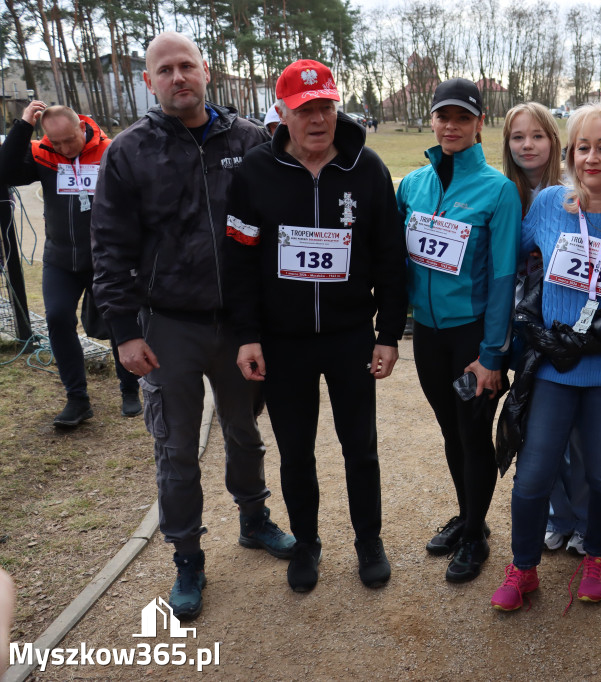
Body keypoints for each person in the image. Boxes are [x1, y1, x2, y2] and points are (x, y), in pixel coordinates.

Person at [91, 32, 294, 620]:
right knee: (175, 447)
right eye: (164, 70)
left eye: (186, 66)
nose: (177, 77)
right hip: (167, 324)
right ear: (150, 80)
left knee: (244, 432)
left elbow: (278, 224)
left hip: (238, 323)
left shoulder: (251, 140)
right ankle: (187, 556)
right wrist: (125, 330)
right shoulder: (129, 151)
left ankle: (254, 519)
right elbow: (110, 247)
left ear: (206, 72)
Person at [224, 60, 407, 593]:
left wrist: (389, 333)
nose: (318, 119)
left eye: (326, 105)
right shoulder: (254, 172)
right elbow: (238, 262)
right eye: (305, 109)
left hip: (350, 336)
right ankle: (307, 543)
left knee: (360, 448)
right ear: (282, 113)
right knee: (295, 450)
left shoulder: (367, 168)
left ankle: (368, 540)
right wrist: (248, 334)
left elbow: (390, 258)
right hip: (284, 342)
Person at [490, 102, 601, 612]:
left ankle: (597, 555)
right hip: (557, 364)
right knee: (534, 471)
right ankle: (523, 567)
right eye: (582, 147)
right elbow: (507, 253)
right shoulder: (547, 204)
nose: (590, 158)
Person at [396, 78, 521, 583]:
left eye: (462, 118)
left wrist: (492, 354)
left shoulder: (498, 190)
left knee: (474, 435)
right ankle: (471, 517)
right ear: (432, 120)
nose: (451, 126)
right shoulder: (412, 185)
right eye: (443, 116)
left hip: (473, 337)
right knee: (451, 431)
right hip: (426, 335)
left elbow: (504, 277)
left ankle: (474, 536)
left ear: (479, 124)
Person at [0, 101, 139, 426]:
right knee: (58, 318)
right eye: (55, 141)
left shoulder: (110, 151)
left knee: (119, 320)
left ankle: (130, 389)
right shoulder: (44, 154)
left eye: (68, 140)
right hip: (61, 257)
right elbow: (5, 173)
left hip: (105, 257)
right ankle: (77, 400)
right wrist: (22, 127)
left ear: (82, 127)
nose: (62, 147)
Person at [502, 102, 586, 555]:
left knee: (578, 436)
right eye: (518, 137)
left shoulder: (573, 191)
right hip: (522, 327)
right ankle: (560, 515)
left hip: (565, 327)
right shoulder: (504, 192)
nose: (527, 145)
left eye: (537, 136)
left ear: (554, 142)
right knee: (538, 430)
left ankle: (587, 520)